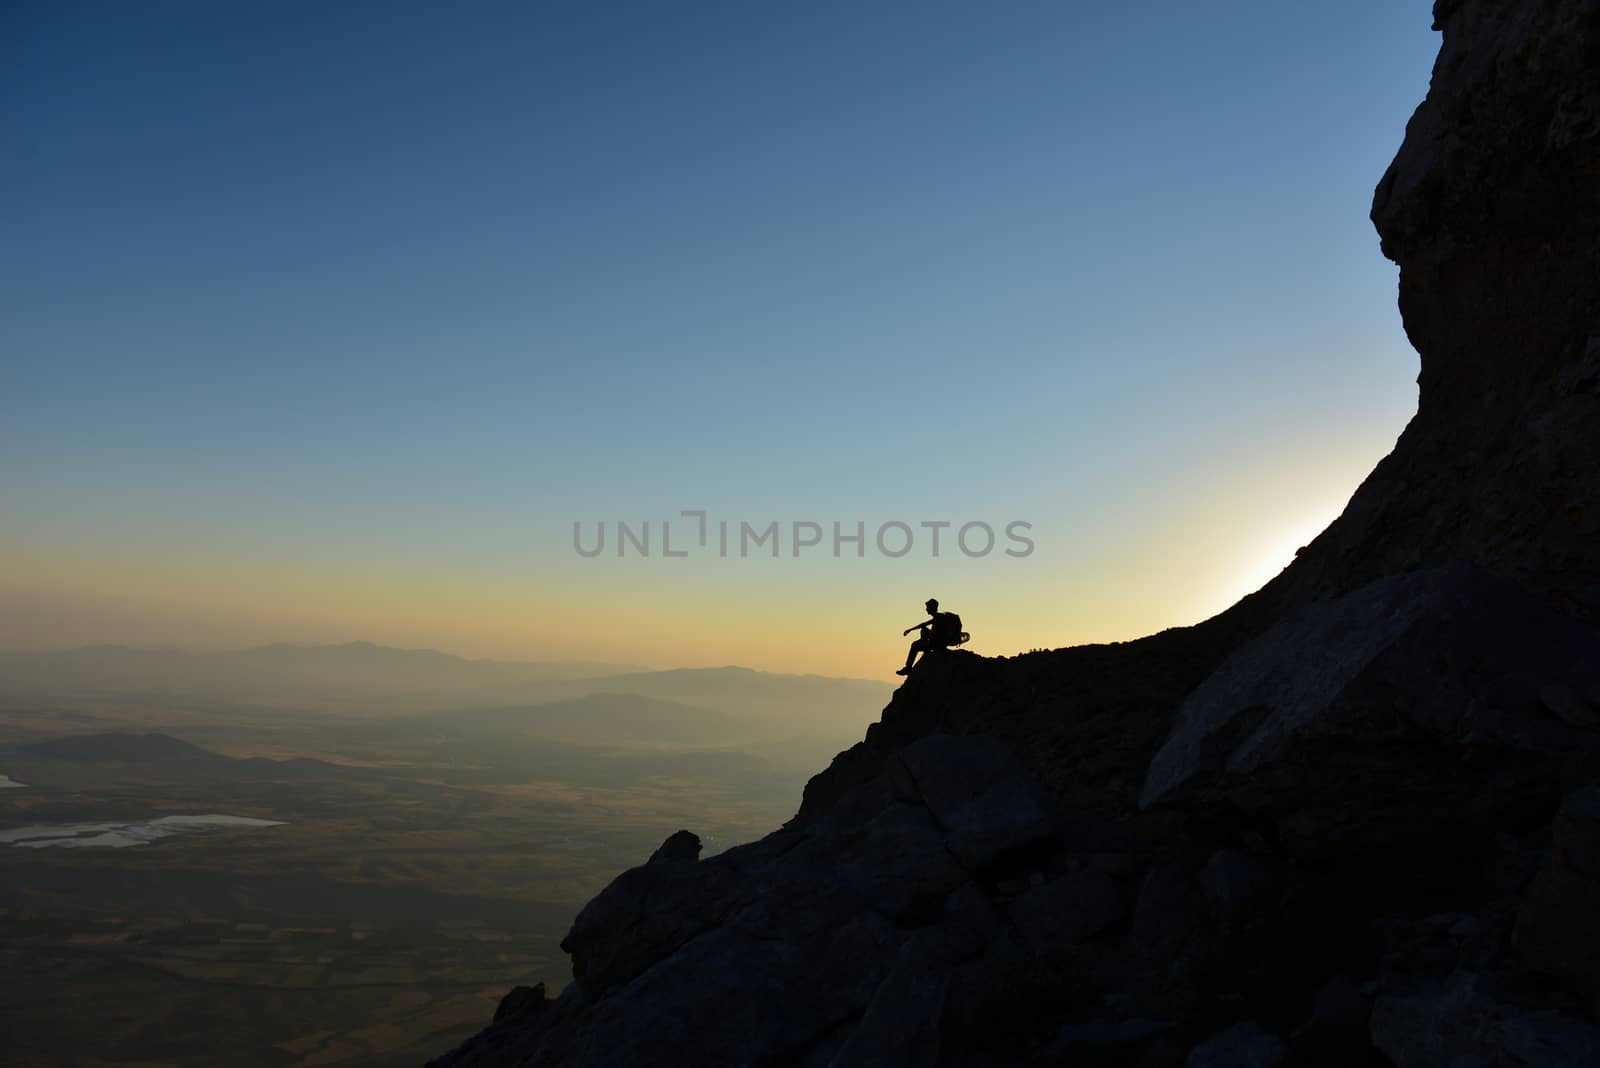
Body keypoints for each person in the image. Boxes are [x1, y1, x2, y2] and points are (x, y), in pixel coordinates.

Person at [897, 598, 961, 675]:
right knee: (923, 630)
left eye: (927, 607)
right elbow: (924, 624)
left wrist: (910, 630)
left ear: (931, 608)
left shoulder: (938, 618)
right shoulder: (940, 616)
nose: (926, 609)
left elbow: (924, 625)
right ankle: (925, 649)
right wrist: (910, 629)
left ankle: (908, 668)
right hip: (941, 642)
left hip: (936, 645)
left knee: (914, 646)